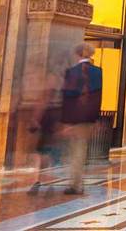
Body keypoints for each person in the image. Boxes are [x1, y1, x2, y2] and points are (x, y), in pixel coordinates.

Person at [60, 43, 103, 195]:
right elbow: (97, 96)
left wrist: (66, 121)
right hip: (89, 118)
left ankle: (76, 184)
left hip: (75, 118)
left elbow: (68, 97)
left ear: (77, 54)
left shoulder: (71, 72)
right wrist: (96, 118)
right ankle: (77, 181)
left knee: (76, 150)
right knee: (81, 149)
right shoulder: (98, 72)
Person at [27, 73, 62, 194]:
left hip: (50, 128)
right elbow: (39, 108)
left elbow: (40, 107)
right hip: (46, 128)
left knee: (46, 156)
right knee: (43, 156)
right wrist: (34, 120)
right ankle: (40, 182)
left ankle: (44, 182)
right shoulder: (50, 96)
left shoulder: (54, 96)